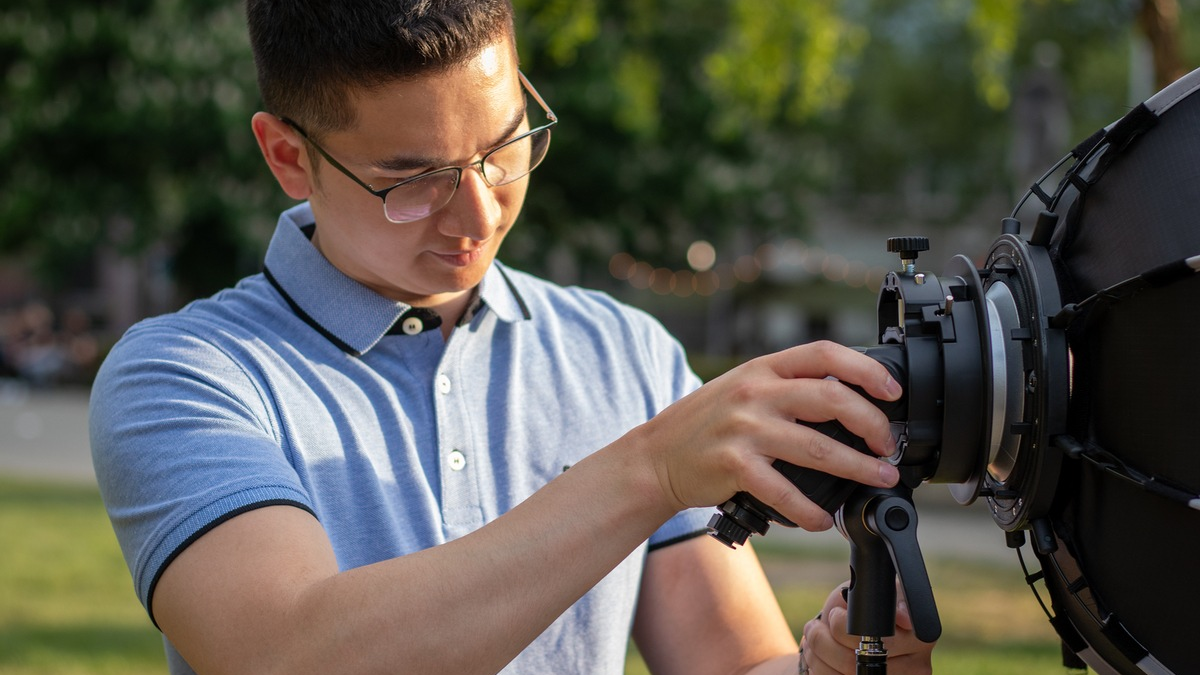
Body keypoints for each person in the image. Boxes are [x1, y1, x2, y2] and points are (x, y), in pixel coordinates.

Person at [89, 1, 934, 673]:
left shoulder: (622, 350)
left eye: (503, 146)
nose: (478, 213)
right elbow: (288, 653)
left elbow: (734, 661)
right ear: (286, 155)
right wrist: (647, 469)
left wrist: (831, 666)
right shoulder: (185, 375)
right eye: (414, 179)